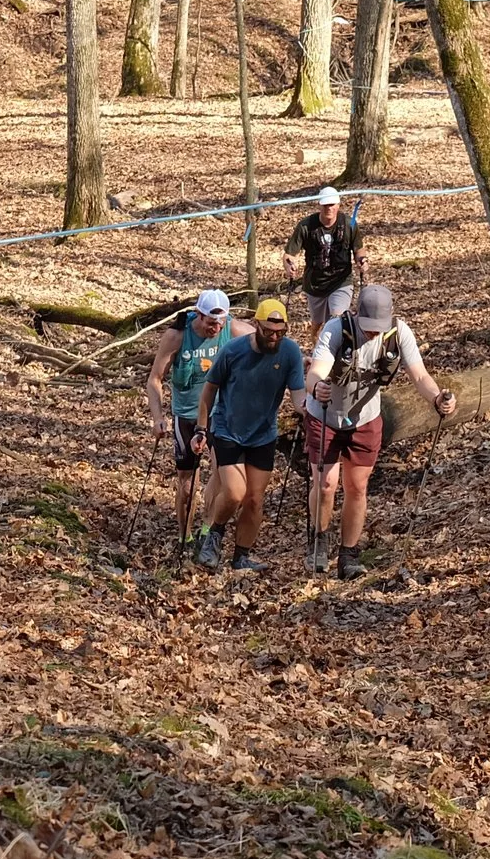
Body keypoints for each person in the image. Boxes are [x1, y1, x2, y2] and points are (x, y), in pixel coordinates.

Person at [303, 285, 456, 580]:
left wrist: (437, 398)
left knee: (357, 487)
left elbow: (419, 375)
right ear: (356, 314)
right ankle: (319, 540)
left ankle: (349, 555)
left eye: (378, 326)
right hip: (325, 415)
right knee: (325, 484)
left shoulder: (399, 333)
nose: (373, 332)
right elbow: (316, 371)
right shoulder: (336, 330)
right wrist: (316, 386)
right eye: (368, 326)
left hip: (366, 419)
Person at [192, 299, 306, 571]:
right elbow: (209, 390)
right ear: (257, 326)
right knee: (234, 493)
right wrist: (201, 428)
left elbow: (298, 395)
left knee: (254, 499)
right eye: (268, 331)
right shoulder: (234, 350)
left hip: (263, 435)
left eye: (280, 332)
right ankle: (213, 536)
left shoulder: (290, 353)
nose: (274, 337)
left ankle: (241, 556)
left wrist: (310, 409)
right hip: (227, 430)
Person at [145, 290, 248, 552]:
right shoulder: (177, 336)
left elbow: (268, 339)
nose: (216, 328)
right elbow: (155, 379)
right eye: (211, 322)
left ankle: (207, 528)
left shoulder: (232, 329)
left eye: (220, 323)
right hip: (186, 416)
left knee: (222, 473)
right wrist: (158, 417)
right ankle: (185, 536)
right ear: (198, 315)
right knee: (188, 484)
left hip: (218, 415)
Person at [281, 186, 362, 344]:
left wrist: (361, 260)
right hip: (315, 284)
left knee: (337, 318)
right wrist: (289, 266)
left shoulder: (349, 224)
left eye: (332, 205)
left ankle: (334, 351)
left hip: (341, 281)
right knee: (317, 323)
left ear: (338, 205)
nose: (328, 208)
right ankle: (316, 346)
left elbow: (359, 249)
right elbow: (289, 254)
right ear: (319, 205)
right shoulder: (306, 226)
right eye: (325, 205)